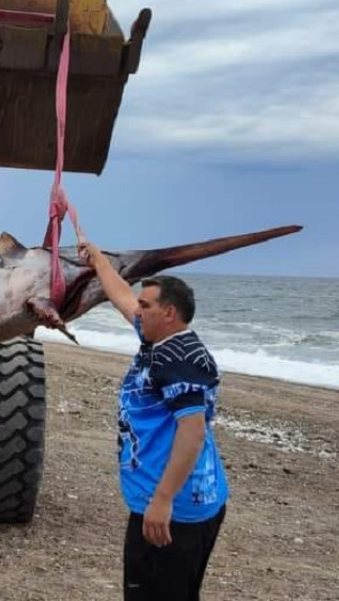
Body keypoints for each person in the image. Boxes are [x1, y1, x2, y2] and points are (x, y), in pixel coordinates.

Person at [79, 241, 229, 601]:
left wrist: (162, 501)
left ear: (169, 314)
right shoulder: (157, 339)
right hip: (163, 501)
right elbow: (121, 297)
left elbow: (192, 434)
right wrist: (98, 259)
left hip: (175, 510)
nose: (137, 311)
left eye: (145, 306)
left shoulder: (181, 361)